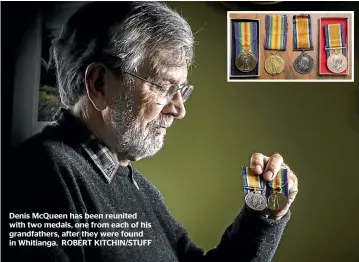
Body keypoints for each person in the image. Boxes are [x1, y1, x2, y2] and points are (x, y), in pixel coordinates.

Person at [8, 2, 299, 262]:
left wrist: (263, 214)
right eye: (163, 87)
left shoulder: (139, 187)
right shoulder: (39, 171)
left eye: (181, 90)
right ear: (99, 84)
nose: (179, 109)